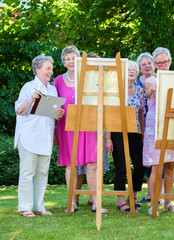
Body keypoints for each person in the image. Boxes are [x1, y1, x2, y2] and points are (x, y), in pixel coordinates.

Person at [53, 46, 108, 214]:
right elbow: (53, 106)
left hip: (89, 125)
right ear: (63, 62)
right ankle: (72, 202)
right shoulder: (58, 81)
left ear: (79, 60)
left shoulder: (89, 77)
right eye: (67, 58)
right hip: (67, 126)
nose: (71, 61)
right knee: (71, 164)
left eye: (74, 58)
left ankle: (95, 202)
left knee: (92, 163)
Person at [15, 55, 64, 217]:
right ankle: (25, 207)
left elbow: (54, 114)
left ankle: (39, 206)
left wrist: (59, 113)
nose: (51, 71)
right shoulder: (28, 87)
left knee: (42, 173)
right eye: (47, 68)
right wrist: (31, 100)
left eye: (51, 68)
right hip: (29, 136)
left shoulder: (52, 89)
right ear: (37, 70)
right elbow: (19, 111)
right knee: (28, 172)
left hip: (45, 137)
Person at [143, 47, 174, 216]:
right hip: (156, 126)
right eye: (159, 62)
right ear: (155, 64)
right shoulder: (152, 79)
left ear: (170, 61)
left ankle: (168, 202)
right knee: (156, 165)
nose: (162, 65)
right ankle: (154, 203)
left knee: (171, 165)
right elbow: (147, 92)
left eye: (165, 61)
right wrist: (150, 91)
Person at [105, 60, 146, 211]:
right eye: (128, 69)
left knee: (140, 165)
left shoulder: (140, 91)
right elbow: (109, 114)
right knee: (121, 165)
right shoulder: (115, 90)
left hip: (134, 131)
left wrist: (142, 134)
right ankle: (120, 199)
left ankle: (133, 196)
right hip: (117, 130)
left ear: (136, 73)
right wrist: (108, 138)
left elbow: (141, 113)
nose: (131, 71)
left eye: (134, 69)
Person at [75, 52, 110, 206]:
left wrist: (108, 137)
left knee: (97, 164)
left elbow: (110, 110)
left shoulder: (104, 83)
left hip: (99, 127)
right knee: (79, 164)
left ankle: (93, 198)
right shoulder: (79, 81)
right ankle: (74, 199)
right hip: (82, 126)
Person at [136, 52, 164, 205]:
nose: (147, 66)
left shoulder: (161, 78)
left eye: (149, 63)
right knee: (149, 160)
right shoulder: (138, 82)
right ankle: (149, 194)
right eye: (143, 64)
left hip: (159, 121)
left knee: (160, 162)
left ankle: (159, 196)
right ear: (140, 68)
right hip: (146, 122)